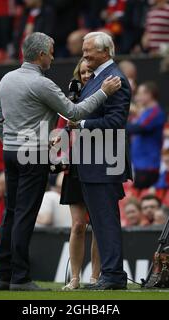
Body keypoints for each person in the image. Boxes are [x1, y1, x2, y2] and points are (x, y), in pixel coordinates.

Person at [0, 32, 122, 291]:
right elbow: (73, 113)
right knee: (25, 215)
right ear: (41, 55)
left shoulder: (6, 79)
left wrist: (12, 142)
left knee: (10, 213)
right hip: (33, 154)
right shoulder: (43, 84)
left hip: (10, 152)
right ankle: (20, 278)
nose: (53, 55)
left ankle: (4, 276)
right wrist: (104, 92)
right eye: (51, 51)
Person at [72, 31, 132, 290]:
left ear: (106, 52)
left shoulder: (114, 79)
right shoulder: (98, 79)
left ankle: (113, 276)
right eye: (84, 50)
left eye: (89, 51)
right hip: (94, 162)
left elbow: (116, 123)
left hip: (104, 163)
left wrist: (82, 123)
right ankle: (111, 274)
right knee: (100, 221)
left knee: (105, 221)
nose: (84, 55)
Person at [58, 58, 101, 290]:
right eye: (83, 72)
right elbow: (61, 129)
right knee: (77, 225)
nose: (86, 76)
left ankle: (95, 277)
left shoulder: (104, 96)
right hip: (75, 166)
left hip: (99, 163)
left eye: (90, 71)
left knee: (98, 224)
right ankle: (75, 278)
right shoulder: (69, 101)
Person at [127, 82, 166, 189]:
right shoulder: (145, 112)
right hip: (139, 163)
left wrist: (116, 125)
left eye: (140, 94)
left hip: (148, 165)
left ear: (149, 95)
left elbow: (139, 128)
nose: (137, 97)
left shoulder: (155, 112)